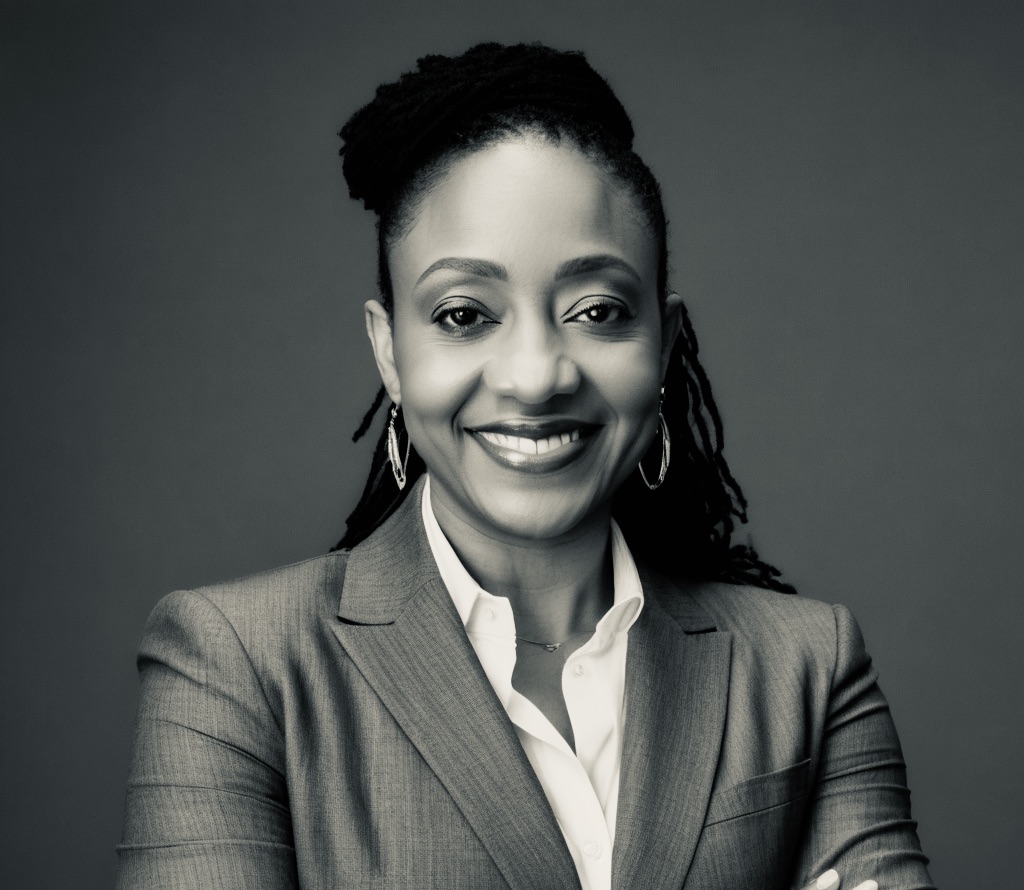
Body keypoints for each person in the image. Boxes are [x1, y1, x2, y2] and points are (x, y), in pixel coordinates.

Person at [116, 43, 934, 890]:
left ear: (664, 344)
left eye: (598, 311)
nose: (537, 376)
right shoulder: (235, 667)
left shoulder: (807, 666)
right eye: (464, 315)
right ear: (390, 351)